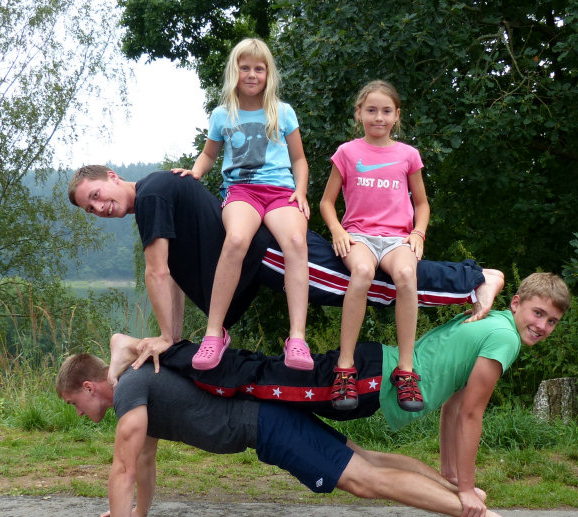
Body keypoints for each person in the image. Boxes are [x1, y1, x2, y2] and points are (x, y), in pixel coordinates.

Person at [132, 272, 571, 517]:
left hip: (373, 373)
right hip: (369, 379)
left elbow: (455, 408)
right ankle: (155, 349)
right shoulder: (503, 338)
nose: (543, 326)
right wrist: (467, 489)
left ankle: (458, 504)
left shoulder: (490, 321)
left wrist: (456, 480)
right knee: (258, 377)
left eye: (552, 321)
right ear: (517, 303)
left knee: (261, 376)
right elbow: (472, 415)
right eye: (538, 313)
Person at [56, 343, 508, 517]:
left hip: (267, 427)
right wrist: (139, 510)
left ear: (91, 387)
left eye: (75, 403)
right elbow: (145, 459)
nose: (79, 413)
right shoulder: (139, 383)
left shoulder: (128, 393)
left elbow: (123, 468)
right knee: (365, 459)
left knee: (363, 480)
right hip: (269, 411)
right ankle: (464, 496)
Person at [67, 167, 504, 374]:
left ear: (112, 175)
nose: (100, 208)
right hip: (257, 262)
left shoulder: (151, 195)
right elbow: (175, 276)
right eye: (91, 208)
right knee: (364, 282)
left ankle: (477, 280)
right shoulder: (156, 192)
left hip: (269, 253)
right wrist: (173, 335)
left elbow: (157, 273)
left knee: (368, 284)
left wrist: (167, 337)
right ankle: (471, 280)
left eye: (97, 195)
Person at [171, 38, 312, 371]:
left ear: (268, 74)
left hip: (280, 191)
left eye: (258, 69)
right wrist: (195, 172)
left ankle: (297, 338)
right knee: (235, 239)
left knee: (296, 241)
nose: (251, 74)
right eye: (244, 67)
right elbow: (209, 154)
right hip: (242, 191)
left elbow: (299, 159)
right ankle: (213, 333)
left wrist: (301, 191)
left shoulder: (282, 112)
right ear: (234, 72)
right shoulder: (223, 114)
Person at [320, 80, 430, 412]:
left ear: (397, 115)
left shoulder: (408, 155)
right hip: (360, 237)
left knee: (407, 276)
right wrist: (337, 230)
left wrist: (418, 233)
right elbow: (326, 202)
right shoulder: (347, 153)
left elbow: (422, 204)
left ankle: (406, 371)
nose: (378, 117)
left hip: (397, 239)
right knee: (363, 273)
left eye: (386, 111)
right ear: (359, 113)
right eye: (371, 110)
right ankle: (345, 368)